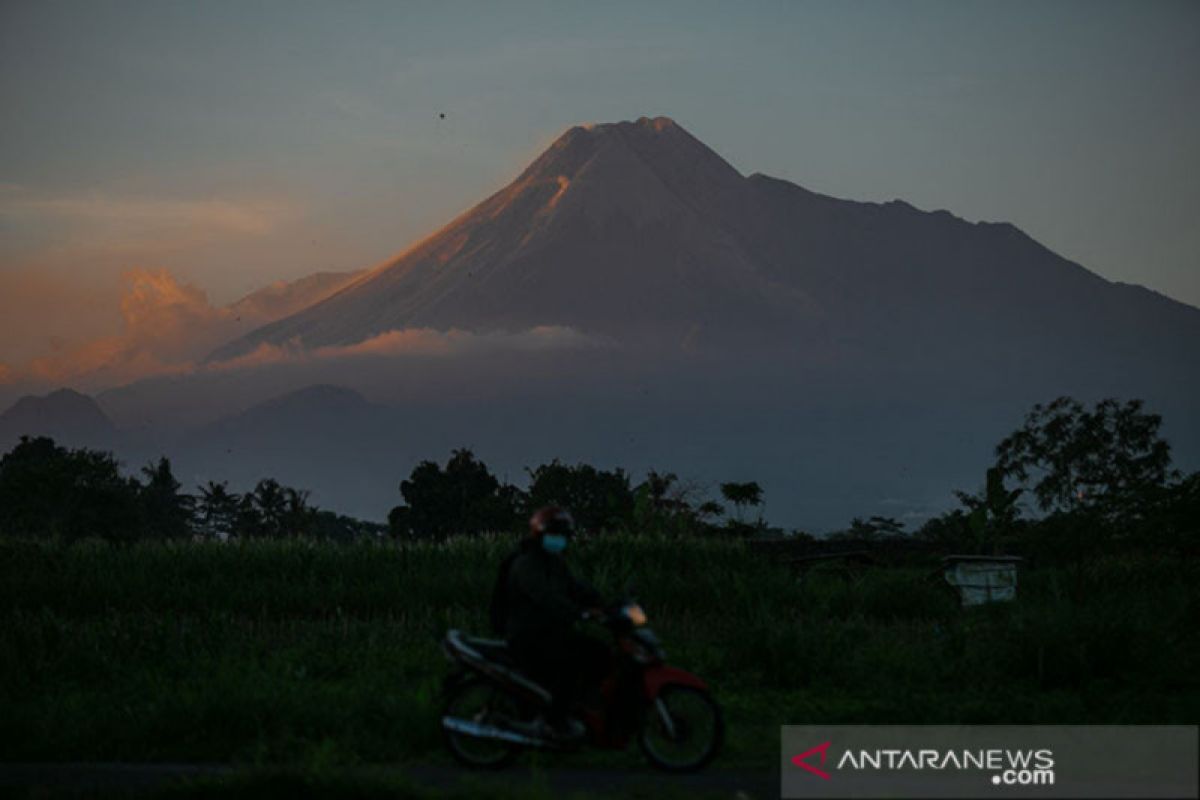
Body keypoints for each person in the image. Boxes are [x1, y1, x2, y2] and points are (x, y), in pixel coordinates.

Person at [492, 506, 609, 741]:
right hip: (528, 636)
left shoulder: (553, 563)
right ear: (540, 535)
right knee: (571, 663)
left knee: (600, 652)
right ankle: (555, 722)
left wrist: (605, 603)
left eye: (563, 535)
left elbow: (574, 588)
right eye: (555, 534)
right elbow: (548, 599)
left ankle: (579, 711)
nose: (560, 540)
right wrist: (579, 613)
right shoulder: (526, 565)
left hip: (549, 632)